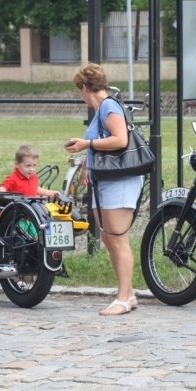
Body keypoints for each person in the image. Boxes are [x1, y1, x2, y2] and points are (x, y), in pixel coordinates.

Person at [65, 62, 141, 316]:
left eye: (80, 90)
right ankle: (127, 294)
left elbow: (120, 139)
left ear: (86, 87)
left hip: (119, 180)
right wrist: (87, 162)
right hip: (106, 179)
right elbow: (102, 142)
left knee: (118, 240)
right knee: (109, 238)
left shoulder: (108, 105)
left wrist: (86, 143)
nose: (80, 95)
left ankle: (123, 298)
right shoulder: (101, 110)